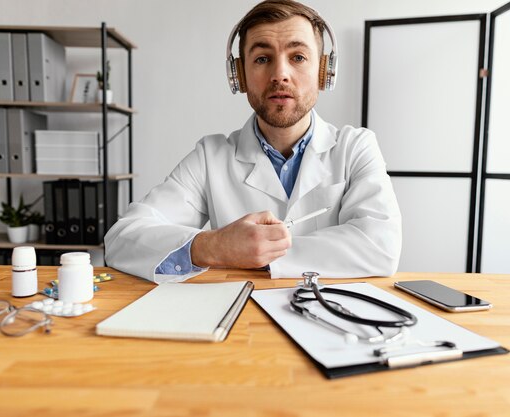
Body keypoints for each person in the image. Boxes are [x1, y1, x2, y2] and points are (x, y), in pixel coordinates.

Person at [104, 0, 402, 282]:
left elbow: (381, 247)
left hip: (332, 319)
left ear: (324, 71)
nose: (280, 74)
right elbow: (121, 239)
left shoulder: (355, 147)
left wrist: (257, 255)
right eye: (262, 58)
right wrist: (214, 246)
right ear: (240, 76)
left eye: (298, 57)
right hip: (241, 323)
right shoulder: (211, 156)